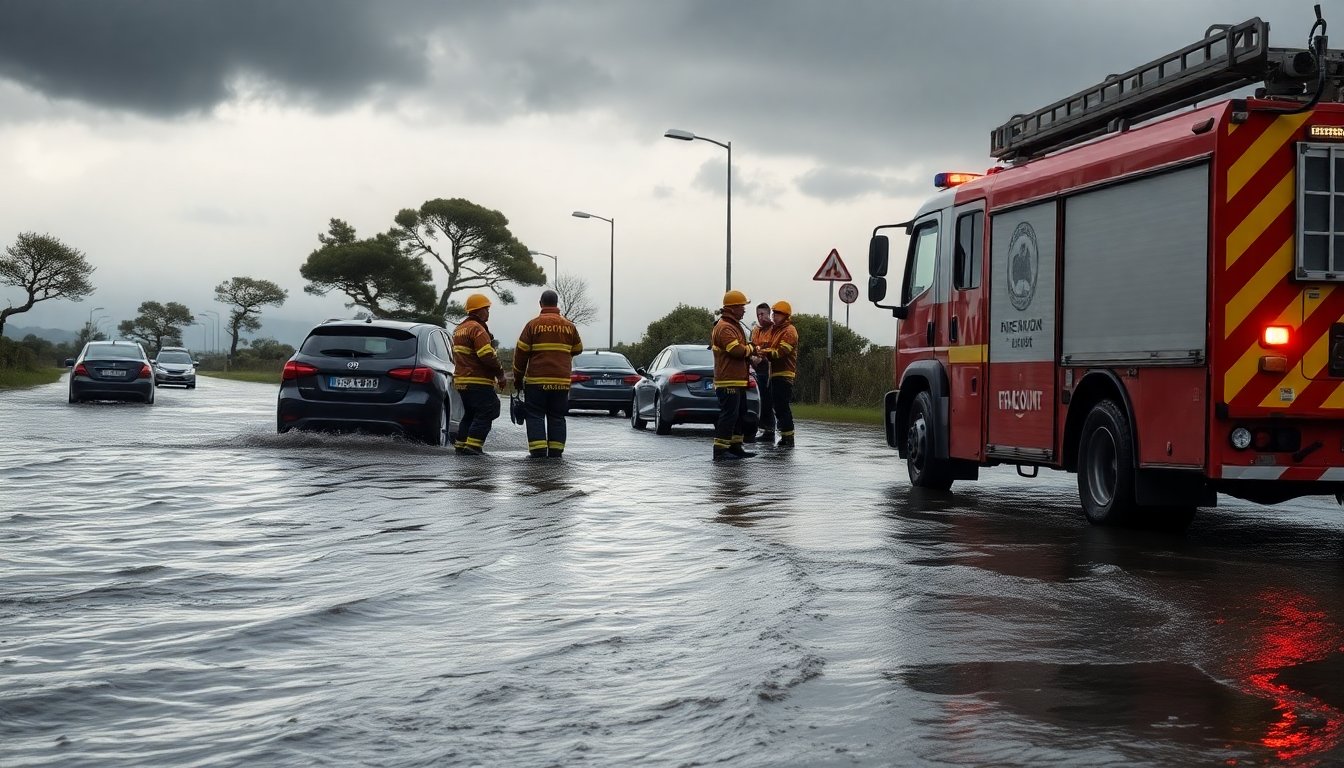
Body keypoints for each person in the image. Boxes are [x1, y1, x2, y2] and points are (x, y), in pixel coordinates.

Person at [512, 289, 584, 458]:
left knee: (535, 415)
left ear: (541, 304)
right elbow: (578, 349)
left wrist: (518, 378)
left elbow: (521, 353)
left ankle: (538, 452)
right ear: (556, 304)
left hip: (536, 382)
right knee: (557, 416)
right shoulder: (569, 326)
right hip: (560, 382)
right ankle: (556, 452)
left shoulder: (532, 325)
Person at [452, 293, 507, 455]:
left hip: (461, 381)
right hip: (477, 380)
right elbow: (486, 355)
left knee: (470, 413)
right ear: (478, 311)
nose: (488, 313)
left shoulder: (458, 329)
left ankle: (461, 446)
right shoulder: (477, 329)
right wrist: (500, 374)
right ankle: (473, 447)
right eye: (486, 309)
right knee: (490, 409)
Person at [710, 290, 758, 461]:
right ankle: (721, 451)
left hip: (737, 379)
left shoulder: (733, 325)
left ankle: (736, 447)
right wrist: (752, 349)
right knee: (729, 415)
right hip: (728, 380)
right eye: (742, 306)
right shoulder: (724, 327)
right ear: (732, 308)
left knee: (739, 414)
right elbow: (736, 350)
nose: (744, 310)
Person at [760, 300, 799, 447]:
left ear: (786, 315)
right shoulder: (776, 330)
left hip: (784, 374)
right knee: (777, 406)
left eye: (778, 314)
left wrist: (763, 352)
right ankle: (785, 436)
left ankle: (788, 438)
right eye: (774, 313)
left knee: (782, 407)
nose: (774, 316)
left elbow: (780, 352)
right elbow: (768, 344)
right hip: (775, 374)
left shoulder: (789, 331)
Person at [748, 302, 775, 444]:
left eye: (763, 314)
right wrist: (752, 356)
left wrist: (762, 357)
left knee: (767, 401)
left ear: (769, 313)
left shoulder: (774, 329)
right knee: (760, 401)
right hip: (756, 370)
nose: (760, 317)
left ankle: (770, 430)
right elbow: (753, 346)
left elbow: (773, 348)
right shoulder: (756, 330)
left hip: (768, 370)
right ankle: (762, 428)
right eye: (758, 314)